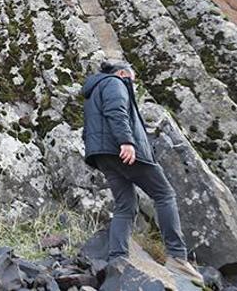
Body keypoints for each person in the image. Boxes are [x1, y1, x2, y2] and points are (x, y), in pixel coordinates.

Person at [82, 60, 203, 283]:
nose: (132, 86)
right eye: (132, 81)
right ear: (122, 73)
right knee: (164, 195)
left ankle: (117, 259)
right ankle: (177, 257)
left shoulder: (93, 90)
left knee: (125, 205)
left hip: (103, 155)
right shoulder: (115, 82)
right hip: (121, 149)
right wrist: (127, 141)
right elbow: (116, 111)